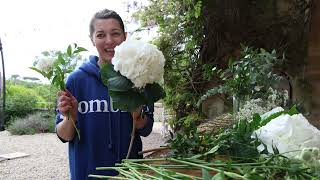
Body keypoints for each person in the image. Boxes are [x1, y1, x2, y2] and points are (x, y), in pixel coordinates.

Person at [56, 9, 154, 180]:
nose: (109, 41)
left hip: (130, 174)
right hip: (86, 174)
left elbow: (146, 129)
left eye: (115, 34)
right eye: (100, 35)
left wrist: (137, 114)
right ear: (92, 39)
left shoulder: (139, 75)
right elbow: (65, 135)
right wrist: (70, 117)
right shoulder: (76, 80)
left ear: (124, 36)